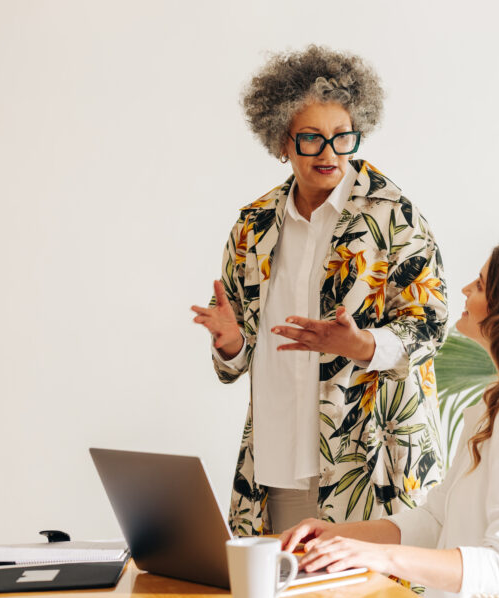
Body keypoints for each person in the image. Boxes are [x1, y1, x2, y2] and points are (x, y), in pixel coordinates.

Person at [281, 238, 499, 598]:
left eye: (480, 284)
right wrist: (337, 535)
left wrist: (380, 559)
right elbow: (435, 519)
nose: (464, 289)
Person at [191, 46, 448, 536]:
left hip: (370, 458)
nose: (328, 153)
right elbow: (238, 355)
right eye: (310, 138)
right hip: (278, 457)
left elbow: (431, 325)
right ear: (281, 143)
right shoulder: (254, 225)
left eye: (341, 137)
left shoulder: (394, 215)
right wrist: (229, 342)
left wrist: (361, 345)